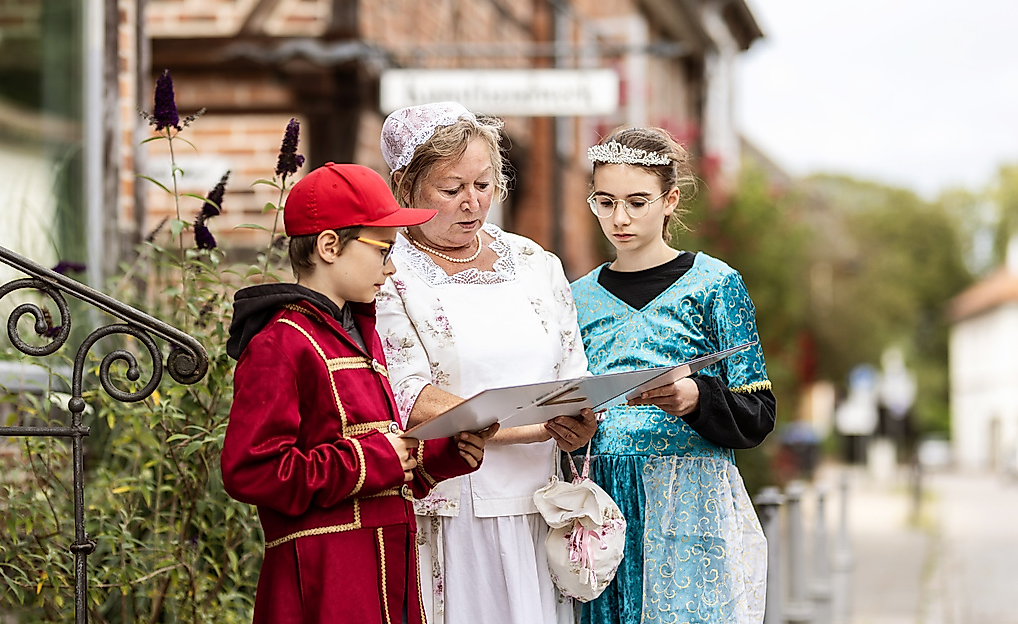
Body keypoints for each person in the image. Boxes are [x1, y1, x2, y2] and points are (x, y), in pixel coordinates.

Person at [221, 162, 496, 624]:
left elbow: (381, 451)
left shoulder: (361, 333)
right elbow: (252, 471)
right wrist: (372, 461)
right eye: (383, 250)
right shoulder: (281, 343)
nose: (391, 267)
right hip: (324, 584)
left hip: (388, 577)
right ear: (330, 246)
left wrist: (442, 454)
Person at [374, 102, 597, 624]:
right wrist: (536, 427)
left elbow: (572, 372)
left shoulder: (536, 263)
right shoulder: (390, 274)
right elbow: (410, 398)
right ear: (406, 187)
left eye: (483, 184)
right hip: (451, 507)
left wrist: (580, 421)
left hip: (543, 507)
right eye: (450, 190)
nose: (472, 203)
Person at [571, 127, 776, 624]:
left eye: (637, 202)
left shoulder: (716, 285)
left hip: (690, 499)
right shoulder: (573, 297)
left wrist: (695, 398)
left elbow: (759, 412)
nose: (619, 218)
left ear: (670, 200)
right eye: (605, 201)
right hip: (601, 502)